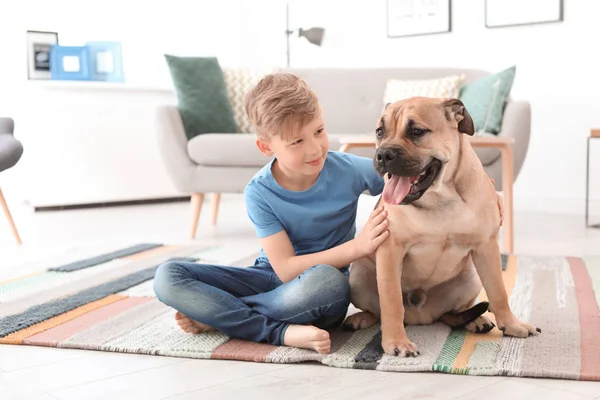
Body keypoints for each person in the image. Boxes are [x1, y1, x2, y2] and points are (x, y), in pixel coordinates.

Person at [153, 72, 388, 354]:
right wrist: (357, 248)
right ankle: (278, 331)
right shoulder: (259, 192)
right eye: (296, 142)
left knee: (328, 281)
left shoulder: (349, 169)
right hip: (268, 278)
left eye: (319, 131)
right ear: (266, 147)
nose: (315, 148)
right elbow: (285, 269)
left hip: (316, 293)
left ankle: (220, 315)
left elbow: (398, 184)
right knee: (168, 275)